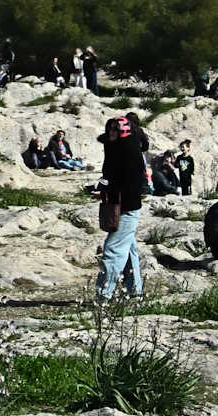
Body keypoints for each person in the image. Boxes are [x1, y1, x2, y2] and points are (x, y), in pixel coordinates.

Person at [97, 116, 146, 300]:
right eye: (109, 129)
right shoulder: (117, 149)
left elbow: (130, 185)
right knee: (129, 250)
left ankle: (103, 297)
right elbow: (112, 176)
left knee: (112, 250)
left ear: (123, 132)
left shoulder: (130, 154)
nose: (111, 133)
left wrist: (107, 187)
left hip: (127, 208)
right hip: (120, 205)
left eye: (115, 130)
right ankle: (134, 291)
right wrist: (102, 186)